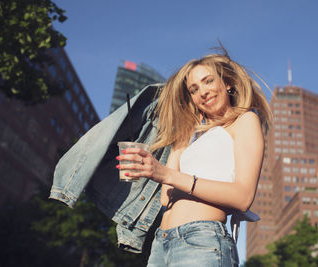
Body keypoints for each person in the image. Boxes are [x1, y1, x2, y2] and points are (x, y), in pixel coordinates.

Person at [116, 48, 271, 266]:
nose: (203, 92)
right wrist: (181, 142)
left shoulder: (244, 120)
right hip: (162, 243)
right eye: (194, 89)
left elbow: (243, 197)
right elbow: (165, 198)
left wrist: (165, 173)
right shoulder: (193, 138)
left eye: (208, 81)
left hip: (202, 240)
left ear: (227, 83)